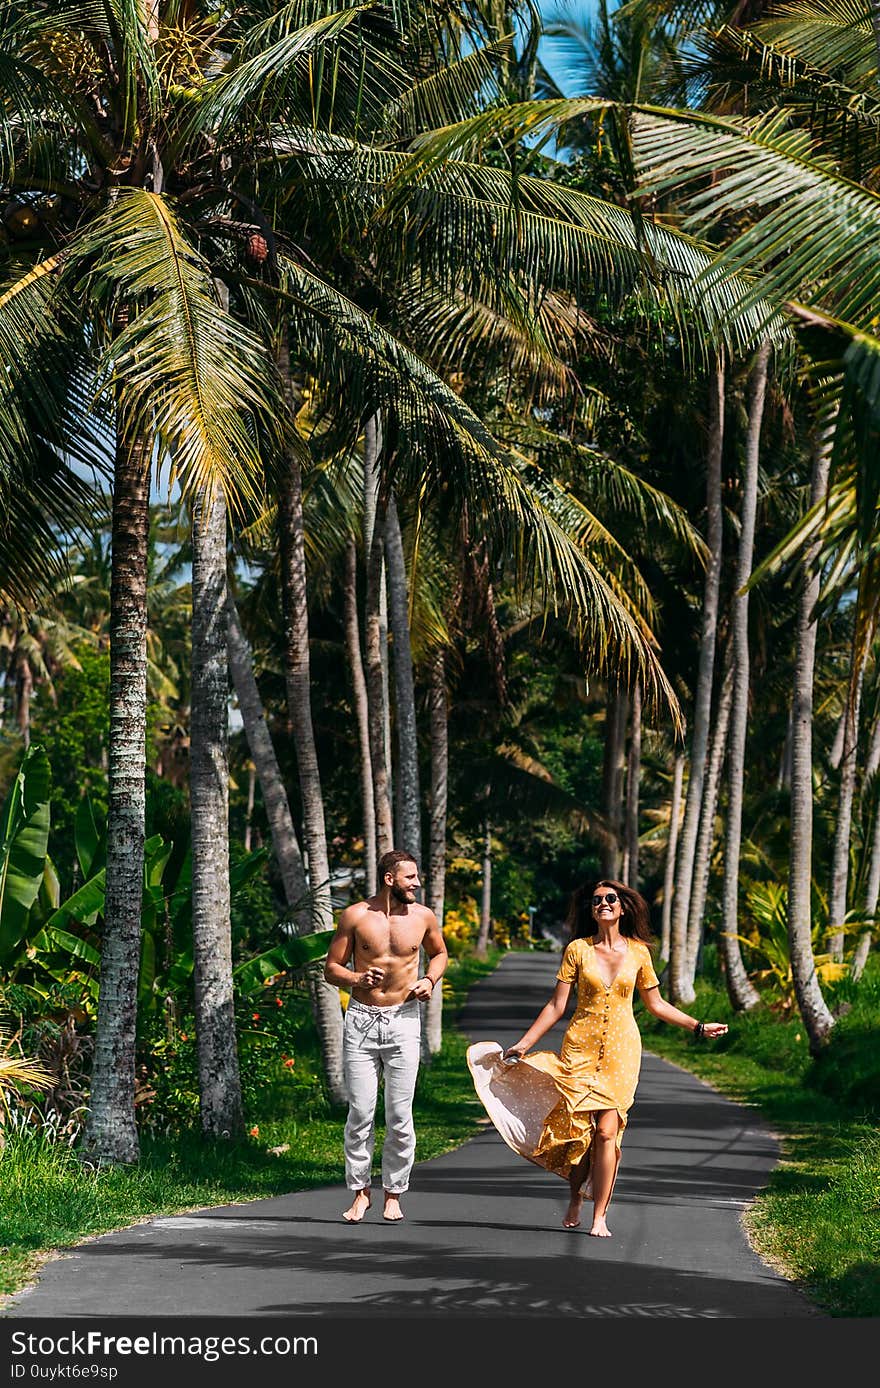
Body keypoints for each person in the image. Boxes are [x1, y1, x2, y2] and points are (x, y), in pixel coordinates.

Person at [466, 879, 728, 1237]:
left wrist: (697, 1026)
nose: (602, 904)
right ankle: (576, 1195)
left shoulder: (639, 953)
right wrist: (525, 1043)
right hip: (580, 1050)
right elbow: (557, 1005)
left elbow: (655, 1005)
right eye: (596, 901)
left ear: (622, 908)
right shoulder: (577, 949)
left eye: (610, 899)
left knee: (607, 1132)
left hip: (623, 1053)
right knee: (581, 1134)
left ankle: (599, 1215)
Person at [324, 849, 448, 1224]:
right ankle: (360, 1192)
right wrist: (357, 979)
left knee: (398, 1114)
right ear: (389, 878)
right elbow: (331, 967)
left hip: (404, 1020)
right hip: (361, 1018)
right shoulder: (356, 916)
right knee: (360, 1113)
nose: (417, 883)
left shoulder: (423, 917)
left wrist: (429, 979)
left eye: (417, 877)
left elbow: (440, 954)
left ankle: (393, 1193)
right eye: (410, 877)